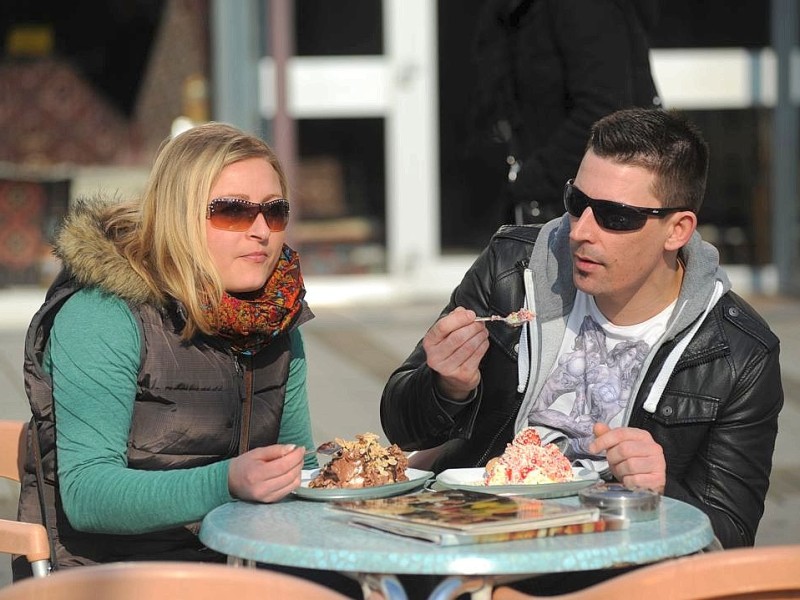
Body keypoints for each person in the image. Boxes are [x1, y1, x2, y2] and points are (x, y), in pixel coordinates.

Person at [381, 109, 783, 582]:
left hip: (617, 570)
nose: (580, 231)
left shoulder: (739, 352)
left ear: (677, 231)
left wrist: (662, 489)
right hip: (480, 545)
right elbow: (402, 430)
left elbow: (731, 537)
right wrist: (446, 387)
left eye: (615, 216)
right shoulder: (513, 270)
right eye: (577, 200)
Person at [13, 122, 358, 596]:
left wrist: (365, 470)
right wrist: (229, 481)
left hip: (242, 568)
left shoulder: (275, 320)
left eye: (275, 212)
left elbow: (298, 472)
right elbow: (88, 494)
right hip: (112, 577)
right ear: (179, 216)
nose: (261, 231)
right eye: (234, 211)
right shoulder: (103, 315)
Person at [467, 0, 661, 228]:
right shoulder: (508, 13)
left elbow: (605, 116)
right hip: (546, 201)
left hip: (585, 209)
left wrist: (528, 180)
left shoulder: (583, 8)